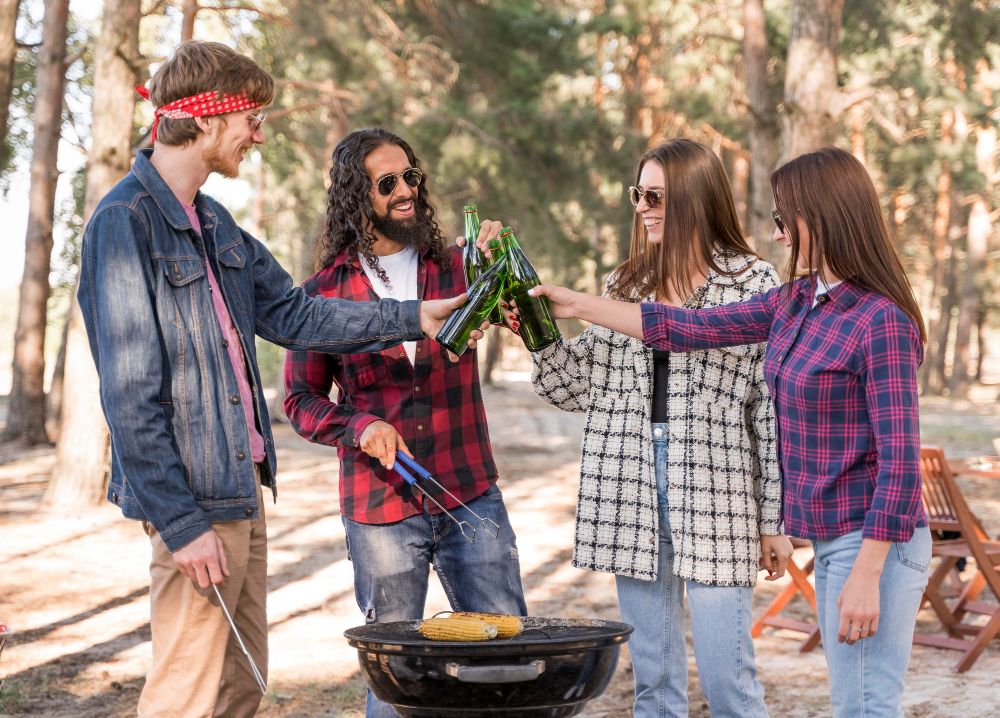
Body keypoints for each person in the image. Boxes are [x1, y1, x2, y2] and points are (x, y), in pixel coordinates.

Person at [78, 44, 473, 718]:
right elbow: (129, 395)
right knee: (186, 692)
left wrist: (415, 317)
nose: (259, 136)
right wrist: (179, 521)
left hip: (240, 490)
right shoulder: (125, 223)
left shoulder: (214, 220)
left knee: (239, 685)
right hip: (195, 501)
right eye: (250, 120)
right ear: (206, 120)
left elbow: (293, 312)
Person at [529, 146, 930, 718]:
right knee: (856, 702)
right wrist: (575, 305)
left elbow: (900, 463)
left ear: (827, 215)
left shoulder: (880, 321)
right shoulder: (798, 302)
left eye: (786, 219)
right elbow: (684, 327)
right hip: (834, 538)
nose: (779, 234)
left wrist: (866, 572)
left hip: (870, 543)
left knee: (864, 705)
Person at [512, 139, 789, 717]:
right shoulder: (625, 284)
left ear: (693, 198)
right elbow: (570, 388)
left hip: (719, 492)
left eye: (656, 195)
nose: (642, 206)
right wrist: (535, 332)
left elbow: (769, 412)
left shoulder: (753, 283)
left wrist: (774, 520)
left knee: (728, 681)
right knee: (653, 685)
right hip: (628, 487)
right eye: (638, 193)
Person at [283, 128, 528, 718]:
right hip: (380, 511)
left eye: (410, 176)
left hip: (471, 494)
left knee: (509, 662)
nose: (404, 191)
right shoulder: (322, 295)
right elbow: (299, 398)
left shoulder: (462, 268)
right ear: (352, 196)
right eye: (385, 182)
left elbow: (528, 318)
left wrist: (509, 268)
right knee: (397, 679)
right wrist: (358, 426)